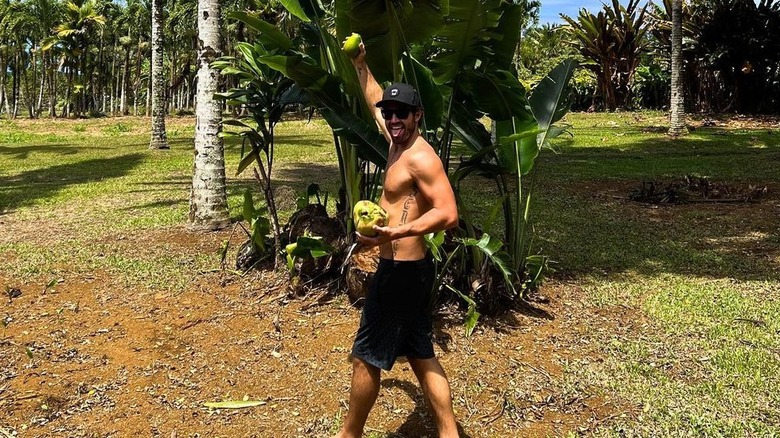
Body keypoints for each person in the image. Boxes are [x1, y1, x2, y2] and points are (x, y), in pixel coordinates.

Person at [334, 43, 460, 438]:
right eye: (389, 114)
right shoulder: (395, 140)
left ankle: (348, 435)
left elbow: (448, 213)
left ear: (417, 115)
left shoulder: (420, 157)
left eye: (401, 113)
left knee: (365, 357)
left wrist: (396, 232)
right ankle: (449, 433)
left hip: (401, 273)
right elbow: (375, 100)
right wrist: (361, 66)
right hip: (411, 272)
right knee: (421, 355)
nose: (393, 119)